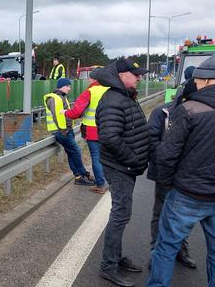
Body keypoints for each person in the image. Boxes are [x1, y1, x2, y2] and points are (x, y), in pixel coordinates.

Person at [148, 54, 215, 287]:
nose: (197, 84)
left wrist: (168, 184)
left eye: (199, 80)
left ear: (209, 80)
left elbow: (167, 155)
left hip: (187, 193)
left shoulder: (189, 108)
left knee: (166, 247)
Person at [94, 58, 149, 287]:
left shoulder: (125, 95)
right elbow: (109, 138)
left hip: (126, 166)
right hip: (120, 167)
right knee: (120, 216)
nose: (139, 77)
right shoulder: (114, 100)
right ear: (120, 75)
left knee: (121, 214)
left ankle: (115, 257)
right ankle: (109, 266)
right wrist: (133, 159)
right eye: (135, 74)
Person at [146, 66, 198, 271]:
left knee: (184, 216)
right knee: (160, 213)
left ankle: (180, 249)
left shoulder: (199, 114)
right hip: (165, 173)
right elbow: (151, 142)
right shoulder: (162, 112)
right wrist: (167, 161)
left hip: (188, 176)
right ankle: (156, 253)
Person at [44, 78, 94, 186]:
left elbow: (65, 114)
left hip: (65, 130)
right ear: (61, 86)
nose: (69, 88)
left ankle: (79, 177)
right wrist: (64, 131)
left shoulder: (61, 97)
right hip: (61, 131)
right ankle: (82, 173)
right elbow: (57, 116)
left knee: (72, 153)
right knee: (76, 152)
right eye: (67, 86)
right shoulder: (55, 99)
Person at [65, 72, 108, 194]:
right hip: (110, 128)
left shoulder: (90, 91)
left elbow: (76, 112)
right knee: (107, 156)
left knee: (96, 156)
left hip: (93, 130)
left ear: (92, 79)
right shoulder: (110, 89)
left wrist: (65, 113)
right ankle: (112, 181)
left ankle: (100, 185)